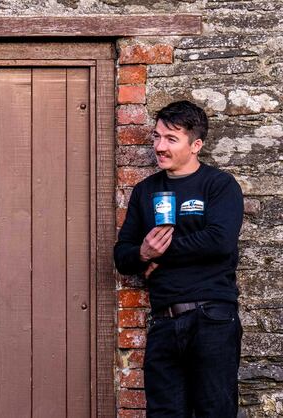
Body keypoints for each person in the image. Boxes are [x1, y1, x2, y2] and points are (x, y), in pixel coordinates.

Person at [114, 100, 243, 417]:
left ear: (196, 144)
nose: (159, 146)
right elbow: (123, 255)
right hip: (164, 322)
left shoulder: (219, 185)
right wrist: (143, 253)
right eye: (156, 137)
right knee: (164, 413)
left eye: (171, 139)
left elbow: (219, 241)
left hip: (211, 317)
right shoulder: (145, 191)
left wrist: (162, 254)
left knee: (215, 411)